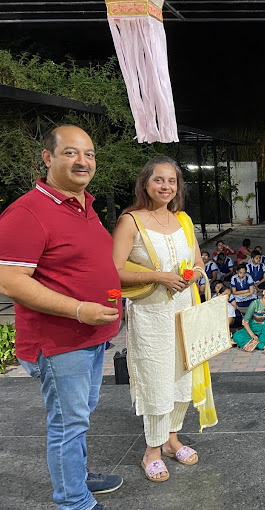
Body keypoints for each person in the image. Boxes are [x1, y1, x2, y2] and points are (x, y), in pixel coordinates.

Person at [0, 125, 122, 509]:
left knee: (79, 417)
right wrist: (80, 310)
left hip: (90, 338)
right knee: (68, 424)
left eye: (89, 154)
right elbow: (9, 281)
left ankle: (78, 477)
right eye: (71, 152)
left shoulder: (84, 206)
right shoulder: (27, 212)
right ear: (48, 158)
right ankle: (73, 500)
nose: (83, 161)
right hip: (59, 343)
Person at [112, 155, 213, 483]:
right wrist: (157, 276)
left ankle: (171, 440)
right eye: (159, 180)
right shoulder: (131, 221)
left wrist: (192, 274)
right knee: (156, 379)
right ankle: (151, 452)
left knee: (182, 376)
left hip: (183, 310)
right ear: (145, 183)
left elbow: (198, 262)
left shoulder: (183, 219)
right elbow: (114, 270)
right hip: (150, 315)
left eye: (172, 181)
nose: (166, 186)